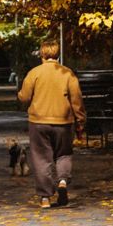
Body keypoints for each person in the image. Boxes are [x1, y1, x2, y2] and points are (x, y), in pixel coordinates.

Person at [16, 40, 86, 208]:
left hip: (38, 121)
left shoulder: (34, 73)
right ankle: (62, 180)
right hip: (63, 121)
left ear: (42, 54)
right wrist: (80, 122)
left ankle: (45, 197)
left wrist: (22, 95)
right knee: (64, 154)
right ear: (58, 55)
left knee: (41, 158)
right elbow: (77, 100)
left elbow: (24, 97)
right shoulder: (67, 74)